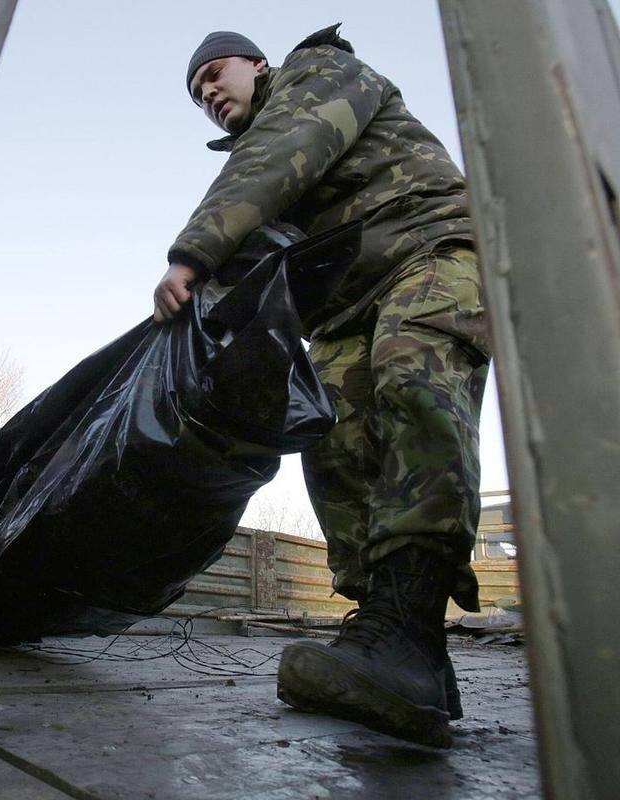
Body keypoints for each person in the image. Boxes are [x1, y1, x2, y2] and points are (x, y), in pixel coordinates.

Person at [157, 26, 490, 746]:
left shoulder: (321, 73)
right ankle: (397, 644)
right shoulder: (263, 164)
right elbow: (248, 263)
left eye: (216, 74)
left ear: (258, 64)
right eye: (197, 93)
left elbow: (283, 151)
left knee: (414, 383)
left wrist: (191, 254)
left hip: (429, 248)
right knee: (327, 434)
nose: (209, 93)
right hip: (343, 304)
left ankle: (405, 625)